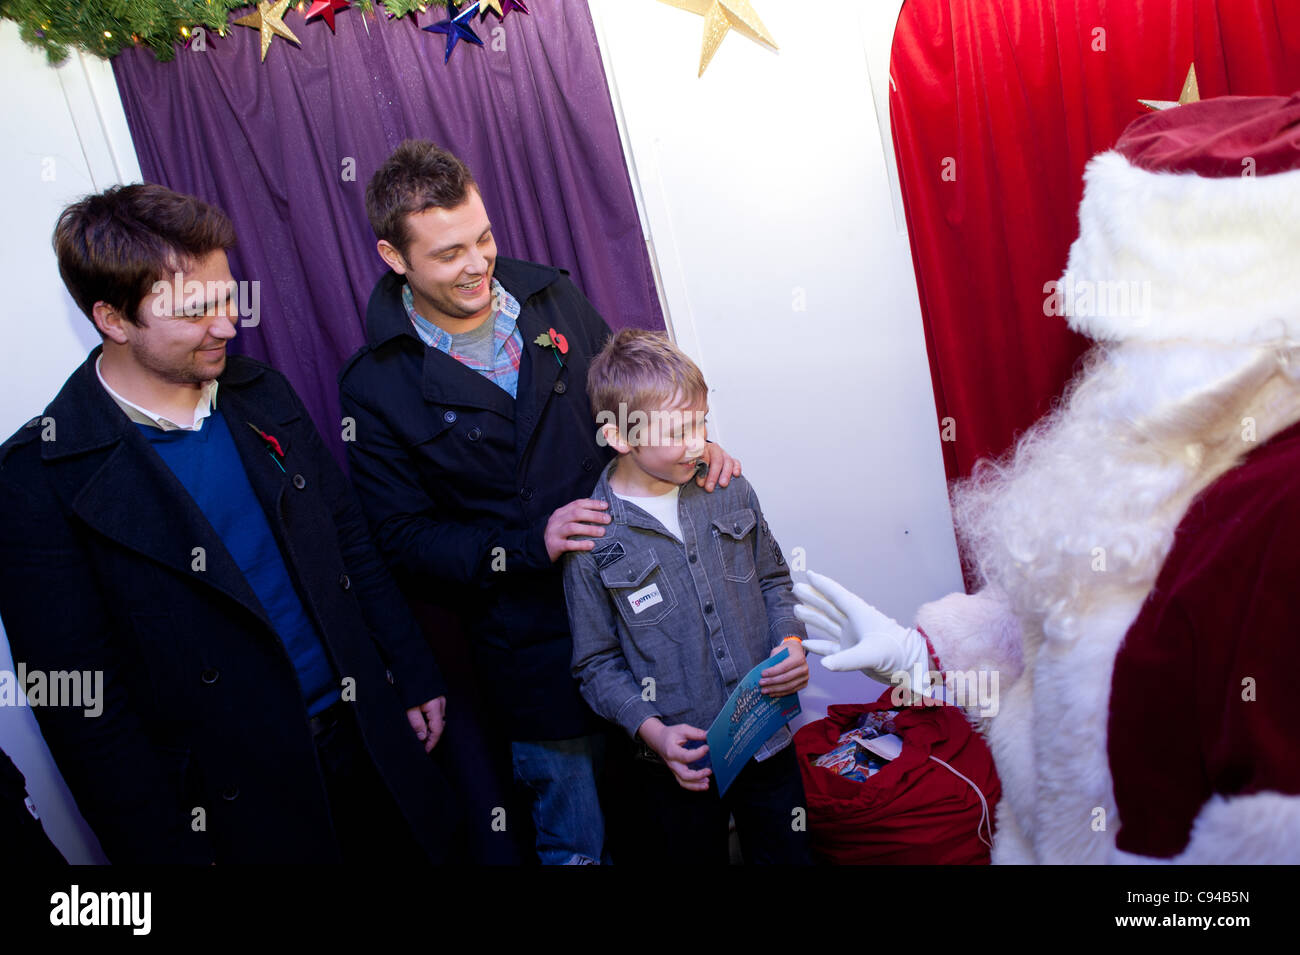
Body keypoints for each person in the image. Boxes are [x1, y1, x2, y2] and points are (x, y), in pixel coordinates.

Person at [795, 93, 1300, 863]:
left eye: (1143, 333)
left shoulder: (1276, 506)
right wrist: (916, 653)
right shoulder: (1159, 448)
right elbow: (1071, 615)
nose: (1113, 364)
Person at [0, 183, 458, 863]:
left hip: (366, 732)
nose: (226, 323)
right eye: (195, 310)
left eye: (227, 296)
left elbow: (350, 542)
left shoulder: (259, 392)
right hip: (239, 801)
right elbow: (85, 712)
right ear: (113, 318)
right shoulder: (38, 476)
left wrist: (412, 671)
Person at [339, 141, 742, 864]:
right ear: (393, 256)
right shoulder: (375, 385)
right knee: (577, 842)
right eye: (448, 253)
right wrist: (531, 543)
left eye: (484, 238)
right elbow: (400, 538)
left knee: (683, 820)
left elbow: (628, 402)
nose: (477, 265)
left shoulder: (551, 297)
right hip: (532, 649)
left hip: (644, 614)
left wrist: (682, 443)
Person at [563, 329, 811, 865]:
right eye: (678, 431)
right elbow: (595, 663)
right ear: (619, 436)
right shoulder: (591, 538)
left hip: (766, 739)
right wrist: (654, 732)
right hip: (679, 764)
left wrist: (790, 641)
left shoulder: (729, 487)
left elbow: (773, 580)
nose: (698, 443)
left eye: (701, 421)